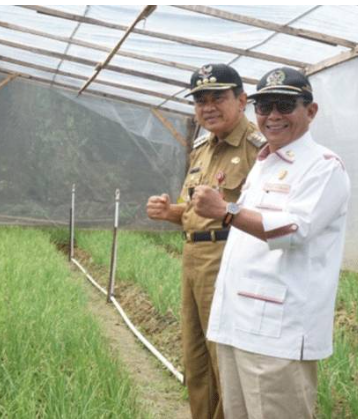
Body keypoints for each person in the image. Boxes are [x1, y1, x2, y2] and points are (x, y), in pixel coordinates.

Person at [193, 67, 350, 418]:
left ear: (310, 111)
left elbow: (294, 230)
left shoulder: (324, 167)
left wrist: (227, 211)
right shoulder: (264, 163)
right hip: (236, 321)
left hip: (278, 332)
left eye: (284, 105)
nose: (273, 116)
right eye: (264, 107)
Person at [146, 64, 265, 419]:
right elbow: (194, 209)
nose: (208, 107)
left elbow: (262, 217)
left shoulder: (258, 149)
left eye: (218, 98)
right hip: (193, 256)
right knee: (196, 358)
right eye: (200, 100)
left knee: (223, 357)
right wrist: (171, 212)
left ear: (241, 100)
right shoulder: (202, 147)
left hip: (228, 257)